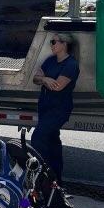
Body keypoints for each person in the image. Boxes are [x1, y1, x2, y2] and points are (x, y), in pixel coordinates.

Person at [31, 33, 80, 185]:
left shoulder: (70, 65)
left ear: (64, 44)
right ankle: (56, 180)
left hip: (59, 109)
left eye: (54, 42)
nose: (51, 45)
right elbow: (36, 78)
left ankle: (40, 176)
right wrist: (45, 79)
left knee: (38, 138)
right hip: (45, 105)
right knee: (53, 141)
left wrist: (44, 80)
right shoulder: (50, 60)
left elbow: (57, 86)